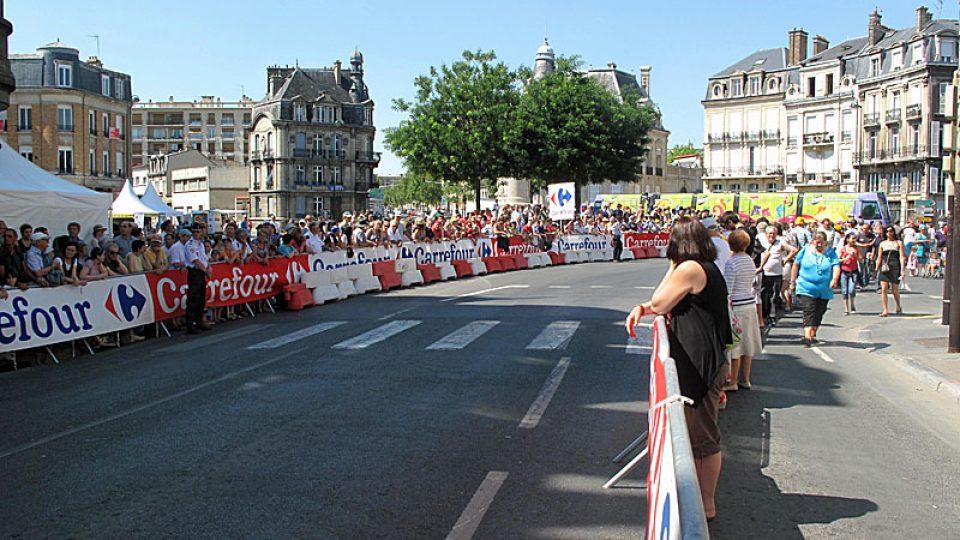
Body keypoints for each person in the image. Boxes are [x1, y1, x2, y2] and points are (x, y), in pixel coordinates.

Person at [625, 217, 731, 521]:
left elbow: (661, 301)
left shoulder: (689, 269)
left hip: (701, 363)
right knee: (699, 433)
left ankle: (706, 505)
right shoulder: (703, 267)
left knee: (702, 437)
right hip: (704, 358)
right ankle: (703, 500)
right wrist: (642, 308)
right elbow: (664, 302)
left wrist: (670, 268)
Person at [724, 229, 762, 393]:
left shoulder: (731, 263)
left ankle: (732, 381)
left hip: (737, 306)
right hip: (749, 303)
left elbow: (728, 289)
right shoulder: (749, 261)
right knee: (748, 343)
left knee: (736, 346)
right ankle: (745, 379)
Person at [790, 231, 840, 346]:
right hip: (806, 286)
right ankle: (807, 336)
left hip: (824, 289)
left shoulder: (831, 253)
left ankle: (813, 333)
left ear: (826, 243)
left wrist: (835, 279)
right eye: (817, 243)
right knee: (809, 309)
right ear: (812, 242)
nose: (819, 245)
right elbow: (796, 264)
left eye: (822, 243)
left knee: (820, 311)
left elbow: (836, 266)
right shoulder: (806, 250)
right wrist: (793, 281)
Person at [758, 224, 795, 324]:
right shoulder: (762, 242)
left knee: (774, 296)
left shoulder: (780, 243)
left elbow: (794, 250)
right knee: (763, 294)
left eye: (774, 234)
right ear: (766, 234)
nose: (772, 235)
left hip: (776, 274)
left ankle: (772, 315)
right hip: (764, 273)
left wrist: (786, 260)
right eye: (770, 233)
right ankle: (764, 315)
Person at [184, 222, 212, 334]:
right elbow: (195, 260)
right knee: (193, 299)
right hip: (195, 272)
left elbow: (204, 258)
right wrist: (205, 271)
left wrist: (207, 267)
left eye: (198, 231)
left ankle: (199, 321)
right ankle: (190, 325)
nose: (196, 234)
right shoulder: (190, 244)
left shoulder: (200, 244)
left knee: (201, 299)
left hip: (201, 272)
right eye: (194, 232)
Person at [876, 226, 905, 317]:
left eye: (891, 231)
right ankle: (885, 310)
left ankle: (898, 305)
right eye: (887, 231)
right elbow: (879, 257)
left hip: (895, 266)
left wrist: (903, 270)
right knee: (884, 289)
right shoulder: (882, 244)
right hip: (885, 266)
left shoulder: (898, 243)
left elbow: (901, 257)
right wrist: (876, 268)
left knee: (894, 290)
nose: (889, 233)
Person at [838, 233, 861, 315]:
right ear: (847, 239)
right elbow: (838, 260)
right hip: (844, 271)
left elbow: (860, 259)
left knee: (851, 290)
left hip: (853, 271)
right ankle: (846, 309)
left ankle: (852, 305)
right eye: (853, 238)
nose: (854, 240)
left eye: (855, 238)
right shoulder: (843, 249)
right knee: (844, 290)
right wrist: (845, 258)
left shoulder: (856, 249)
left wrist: (856, 257)